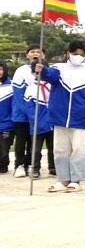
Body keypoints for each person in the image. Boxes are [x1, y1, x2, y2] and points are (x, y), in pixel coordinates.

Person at [42, 38, 85, 192]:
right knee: (60, 149)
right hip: (59, 116)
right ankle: (63, 179)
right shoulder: (58, 68)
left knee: (79, 149)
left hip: (81, 117)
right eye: (75, 53)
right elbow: (48, 75)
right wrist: (41, 67)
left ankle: (76, 180)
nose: (78, 56)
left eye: (82, 54)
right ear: (68, 53)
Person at [10, 46, 42, 178]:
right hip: (22, 114)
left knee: (33, 141)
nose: (36, 54)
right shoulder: (21, 71)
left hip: (39, 113)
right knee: (21, 140)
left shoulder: (45, 70)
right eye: (32, 52)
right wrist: (30, 112)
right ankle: (19, 165)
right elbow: (18, 95)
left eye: (38, 52)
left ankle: (30, 164)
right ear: (27, 55)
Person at [26, 61, 54, 181]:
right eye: (37, 71)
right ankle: (35, 169)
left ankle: (53, 167)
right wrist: (35, 120)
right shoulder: (31, 89)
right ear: (34, 73)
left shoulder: (52, 86)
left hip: (52, 123)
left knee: (53, 148)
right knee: (36, 150)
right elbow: (29, 108)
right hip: (37, 124)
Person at [0, 62, 12, 174]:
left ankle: (3, 166)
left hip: (6, 124)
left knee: (4, 148)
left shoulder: (11, 86)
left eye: (1, 69)